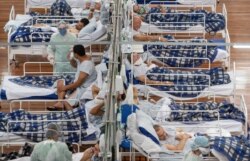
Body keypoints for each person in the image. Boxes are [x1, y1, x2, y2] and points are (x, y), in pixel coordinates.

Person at [47, 44, 97, 111]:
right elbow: (75, 65)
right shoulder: (83, 57)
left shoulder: (87, 65)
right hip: (77, 82)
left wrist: (65, 87)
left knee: (66, 102)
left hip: (83, 87)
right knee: (60, 82)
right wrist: (70, 59)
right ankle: (59, 103)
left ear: (76, 54)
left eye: (73, 53)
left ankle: (71, 114)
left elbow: (78, 84)